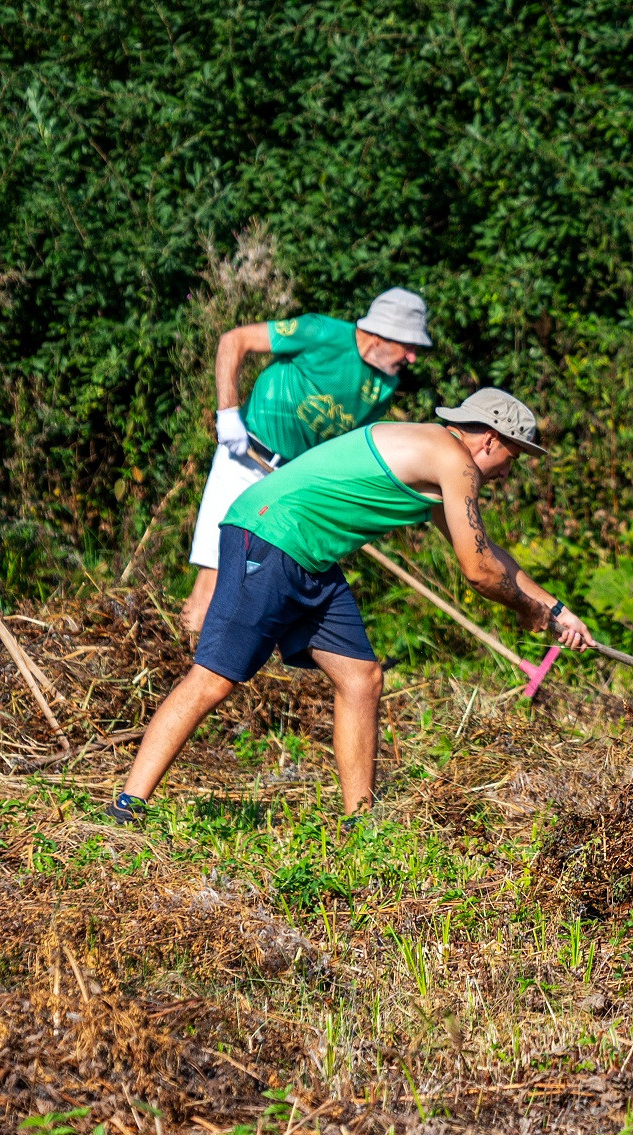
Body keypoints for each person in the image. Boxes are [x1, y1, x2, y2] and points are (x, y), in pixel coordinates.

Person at [112, 389, 589, 824]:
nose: (509, 471)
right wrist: (527, 611)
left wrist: (556, 608)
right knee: (216, 677)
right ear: (489, 438)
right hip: (271, 533)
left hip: (311, 554)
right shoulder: (454, 461)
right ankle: (128, 805)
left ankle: (361, 824)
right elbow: (478, 571)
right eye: (513, 455)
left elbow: (488, 553)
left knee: (361, 678)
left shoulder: (435, 454)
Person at [179, 290, 432, 644]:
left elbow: (347, 449)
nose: (413, 358)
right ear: (379, 334)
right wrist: (227, 412)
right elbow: (233, 340)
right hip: (246, 456)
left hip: (296, 481)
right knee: (215, 572)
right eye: (408, 345)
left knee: (268, 584)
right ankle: (180, 658)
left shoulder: (384, 386)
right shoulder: (320, 332)